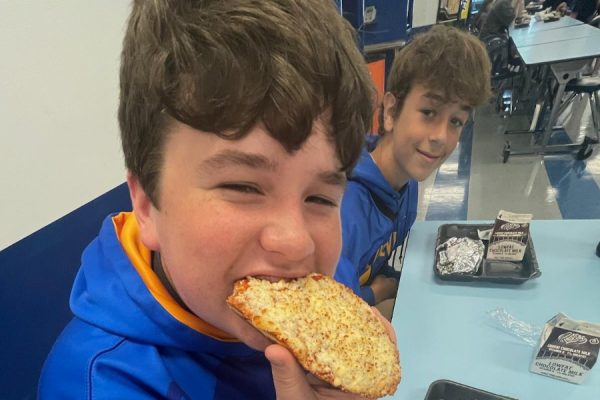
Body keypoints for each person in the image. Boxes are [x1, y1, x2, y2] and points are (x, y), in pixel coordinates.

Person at [38, 1, 388, 399]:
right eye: (244, 187)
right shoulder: (98, 384)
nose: (295, 243)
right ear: (148, 205)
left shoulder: (325, 280)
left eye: (321, 198)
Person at [334, 25, 492, 308]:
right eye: (429, 113)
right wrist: (377, 292)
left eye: (455, 121)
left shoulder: (408, 182)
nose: (441, 136)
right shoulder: (346, 209)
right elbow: (327, 304)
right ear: (392, 111)